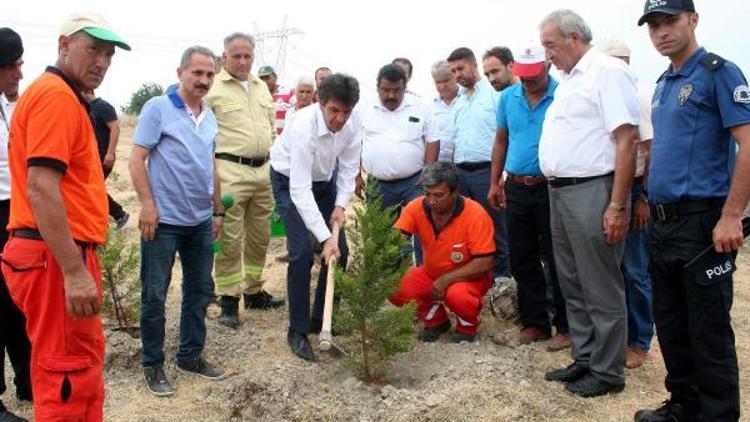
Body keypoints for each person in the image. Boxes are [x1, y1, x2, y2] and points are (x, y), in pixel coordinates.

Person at [1, 13, 129, 421]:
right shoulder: (56, 96)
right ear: (63, 44)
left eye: (109, 54)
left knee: (73, 366)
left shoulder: (61, 96)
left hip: (55, 253)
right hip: (56, 257)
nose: (102, 62)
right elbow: (41, 187)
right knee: (67, 374)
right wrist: (74, 270)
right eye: (93, 48)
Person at [634, 1, 750, 420]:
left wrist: (732, 214)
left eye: (671, 21)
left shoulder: (719, 72)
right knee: (672, 324)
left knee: (708, 331)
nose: (662, 31)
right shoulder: (664, 83)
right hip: (664, 225)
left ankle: (717, 415)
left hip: (703, 222)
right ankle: (685, 405)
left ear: (693, 20)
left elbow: (747, 143)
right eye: (654, 25)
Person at [538, 9, 640, 398]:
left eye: (551, 44)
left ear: (575, 38)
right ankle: (585, 358)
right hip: (559, 191)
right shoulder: (567, 80)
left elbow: (627, 139)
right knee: (572, 281)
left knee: (601, 283)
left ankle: (608, 371)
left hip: (592, 189)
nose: (547, 53)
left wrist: (618, 205)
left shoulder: (607, 72)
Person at [130, 46, 226, 397]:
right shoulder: (158, 108)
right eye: (196, 73)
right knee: (154, 294)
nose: (203, 80)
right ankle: (152, 364)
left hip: (199, 221)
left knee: (199, 291)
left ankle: (190, 355)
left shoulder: (209, 115)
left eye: (209, 74)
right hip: (163, 221)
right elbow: (136, 159)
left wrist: (217, 210)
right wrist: (147, 205)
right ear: (180, 72)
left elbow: (210, 165)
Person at [269, 73, 361, 362]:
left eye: (346, 112)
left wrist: (340, 204)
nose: (340, 118)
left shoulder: (353, 123)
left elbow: (348, 167)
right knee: (300, 255)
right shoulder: (302, 126)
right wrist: (323, 237)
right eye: (334, 110)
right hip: (289, 181)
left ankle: (322, 319)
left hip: (324, 182)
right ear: (321, 103)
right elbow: (299, 190)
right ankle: (297, 330)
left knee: (341, 252)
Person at [487, 42, 570, 351]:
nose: (527, 81)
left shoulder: (563, 94)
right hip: (517, 187)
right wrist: (496, 182)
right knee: (522, 257)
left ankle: (566, 325)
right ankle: (535, 323)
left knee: (558, 257)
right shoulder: (508, 98)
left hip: (553, 187)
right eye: (522, 75)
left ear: (547, 66)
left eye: (533, 75)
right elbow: (501, 140)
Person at [205, 32, 283, 329]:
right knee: (229, 238)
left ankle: (253, 291)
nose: (242, 61)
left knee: (260, 235)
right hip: (230, 172)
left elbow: (270, 129)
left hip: (263, 171)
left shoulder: (261, 86)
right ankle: (228, 300)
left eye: (247, 55)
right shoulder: (213, 89)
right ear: (224, 57)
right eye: (235, 56)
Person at [598, 37, 656, 370]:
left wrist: (642, 197)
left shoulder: (638, 97)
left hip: (632, 189)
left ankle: (640, 341)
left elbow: (649, 149)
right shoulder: (606, 98)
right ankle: (618, 336)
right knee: (612, 269)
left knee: (635, 269)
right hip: (605, 186)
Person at [389, 162, 495, 343]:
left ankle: (467, 326)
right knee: (393, 286)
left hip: (470, 278)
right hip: (430, 273)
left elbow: (485, 262)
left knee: (458, 296)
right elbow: (395, 240)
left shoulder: (476, 214)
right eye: (427, 194)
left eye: (438, 195)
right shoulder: (416, 207)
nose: (431, 201)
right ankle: (435, 320)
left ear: (455, 192)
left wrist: (447, 279)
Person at [359, 63, 439, 264]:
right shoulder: (364, 108)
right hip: (378, 184)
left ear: (405, 87)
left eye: (396, 91)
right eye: (385, 90)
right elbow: (352, 144)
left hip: (415, 182)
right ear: (377, 87)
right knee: (382, 233)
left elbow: (433, 140)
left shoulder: (420, 106)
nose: (391, 96)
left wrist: (428, 175)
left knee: (422, 223)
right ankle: (391, 283)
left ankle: (424, 271)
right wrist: (355, 176)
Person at [446, 47, 510, 280]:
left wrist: (500, 176)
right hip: (461, 174)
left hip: (488, 173)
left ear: (474, 65)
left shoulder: (495, 96)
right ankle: (472, 280)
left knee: (496, 229)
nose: (457, 74)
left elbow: (505, 137)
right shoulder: (459, 102)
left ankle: (502, 284)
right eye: (453, 71)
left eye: (461, 68)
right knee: (464, 230)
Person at [0, 27, 31, 422]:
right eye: (10, 66)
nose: (18, 73)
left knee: (17, 300)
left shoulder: (12, 107)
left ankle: (28, 379)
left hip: (17, 212)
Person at [81, 88, 129, 230]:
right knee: (91, 189)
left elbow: (115, 128)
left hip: (103, 157)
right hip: (93, 157)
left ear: (88, 91)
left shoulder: (103, 106)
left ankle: (117, 215)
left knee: (92, 189)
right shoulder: (88, 108)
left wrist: (110, 153)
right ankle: (115, 216)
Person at [430, 60, 460, 163]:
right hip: (437, 165)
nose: (442, 86)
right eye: (438, 82)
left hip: (461, 165)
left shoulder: (466, 101)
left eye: (446, 81)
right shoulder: (430, 106)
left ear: (455, 78)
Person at [259, 65, 294, 135]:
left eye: (267, 78)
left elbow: (299, 114)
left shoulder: (289, 91)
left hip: (286, 139)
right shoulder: (258, 96)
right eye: (262, 79)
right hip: (267, 140)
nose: (265, 81)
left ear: (275, 77)